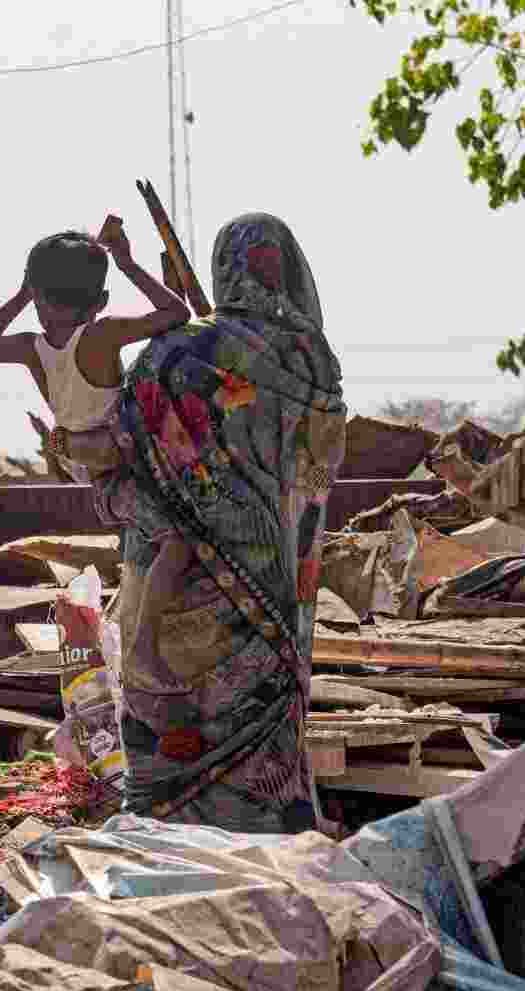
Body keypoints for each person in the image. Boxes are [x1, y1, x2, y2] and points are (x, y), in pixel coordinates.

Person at [81, 213, 346, 834]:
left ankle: (167, 835)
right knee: (260, 717)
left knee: (176, 720)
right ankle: (268, 826)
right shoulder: (317, 363)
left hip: (181, 582)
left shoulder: (176, 351)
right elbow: (316, 476)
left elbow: (122, 452)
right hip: (274, 584)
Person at [0, 216, 189, 485]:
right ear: (102, 301)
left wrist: (23, 294)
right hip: (115, 453)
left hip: (72, 457)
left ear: (37, 297)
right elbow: (177, 312)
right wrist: (127, 264)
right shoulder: (103, 334)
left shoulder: (30, 347)